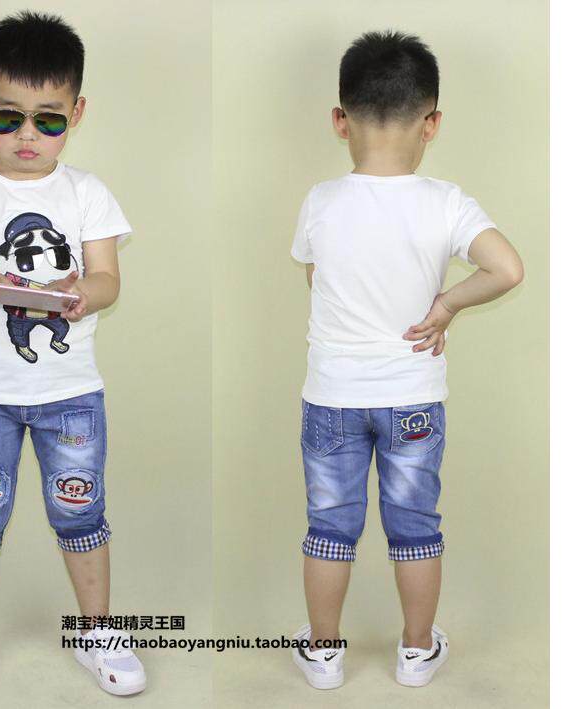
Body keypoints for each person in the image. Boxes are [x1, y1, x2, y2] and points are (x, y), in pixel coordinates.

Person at [0, 11, 146, 706]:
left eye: (49, 121)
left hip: (70, 395)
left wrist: (80, 296)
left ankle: (97, 630)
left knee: (80, 512)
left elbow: (107, 280)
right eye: (8, 117)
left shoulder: (87, 193)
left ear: (77, 113)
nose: (26, 137)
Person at [289, 30, 524, 690]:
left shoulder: (320, 201)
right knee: (415, 526)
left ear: (341, 120)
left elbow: (316, 276)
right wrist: (445, 305)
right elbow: (507, 269)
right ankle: (418, 651)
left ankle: (324, 654)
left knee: (330, 526)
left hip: (333, 396)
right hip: (413, 397)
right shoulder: (446, 201)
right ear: (431, 122)